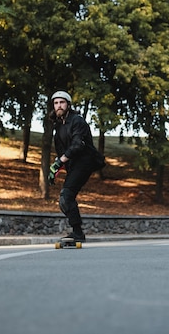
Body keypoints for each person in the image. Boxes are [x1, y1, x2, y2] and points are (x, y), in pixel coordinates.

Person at [48, 90, 105, 242]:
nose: (59, 106)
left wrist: (61, 161)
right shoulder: (59, 126)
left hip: (85, 161)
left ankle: (78, 234)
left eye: (62, 102)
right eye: (56, 103)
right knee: (64, 200)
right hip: (73, 164)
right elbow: (62, 151)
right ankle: (77, 231)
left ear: (68, 105)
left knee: (66, 196)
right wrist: (56, 167)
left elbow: (77, 145)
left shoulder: (77, 120)